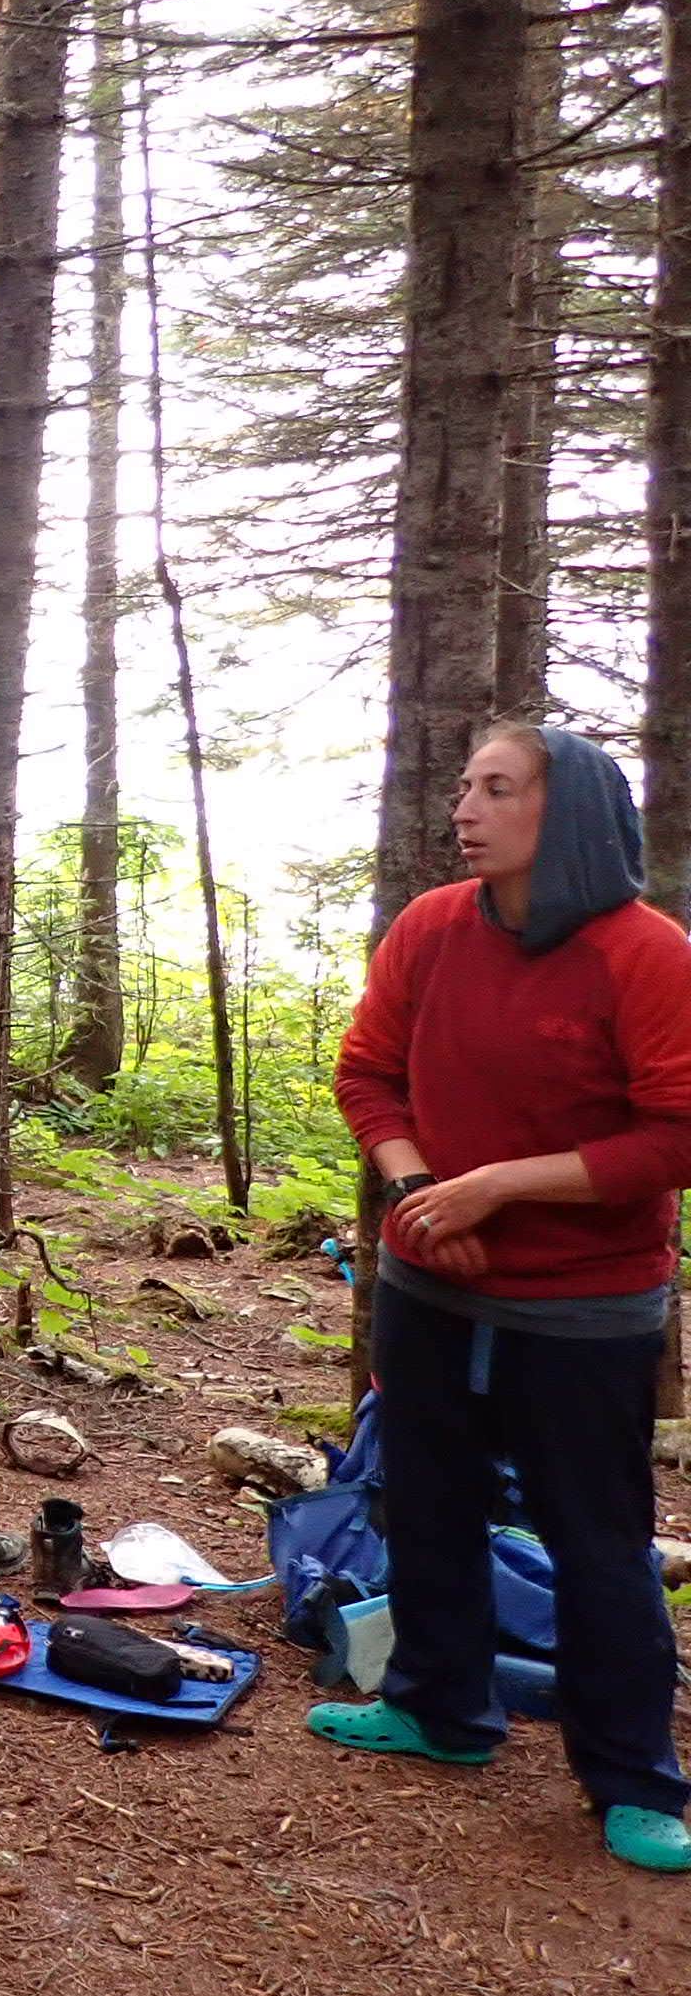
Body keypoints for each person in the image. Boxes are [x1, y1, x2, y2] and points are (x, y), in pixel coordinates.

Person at [317, 722, 691, 1873]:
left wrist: (496, 1192)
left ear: (562, 811)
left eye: (494, 789)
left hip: (583, 1303)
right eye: (462, 788)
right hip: (432, 1284)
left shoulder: (645, 954)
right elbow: (367, 1072)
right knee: (425, 1495)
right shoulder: (431, 929)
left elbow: (673, 1132)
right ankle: (438, 1711)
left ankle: (632, 1775)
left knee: (596, 1538)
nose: (462, 811)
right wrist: (421, 1192)